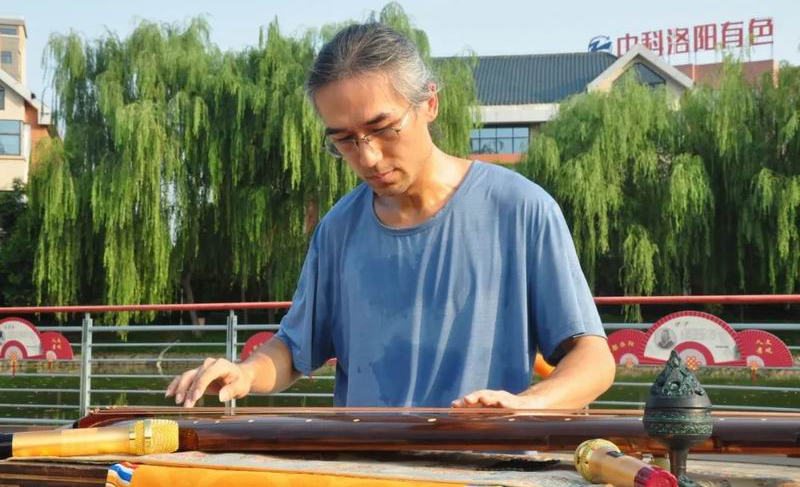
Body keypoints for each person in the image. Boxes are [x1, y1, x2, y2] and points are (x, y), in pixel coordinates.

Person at [166, 22, 615, 410]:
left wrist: (527, 405)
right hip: (367, 470)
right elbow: (293, 349)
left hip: (485, 470)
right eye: (344, 140)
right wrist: (245, 373)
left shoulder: (520, 210)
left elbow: (593, 359)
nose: (368, 156)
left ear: (429, 104)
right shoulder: (339, 230)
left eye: (382, 129)